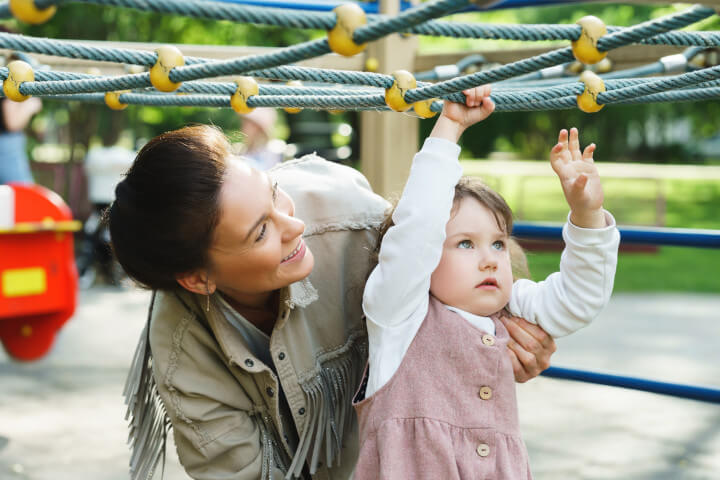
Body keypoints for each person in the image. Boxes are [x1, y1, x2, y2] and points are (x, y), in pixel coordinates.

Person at [108, 122, 558, 480]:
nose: (293, 224)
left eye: (272, 192)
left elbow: (462, 252)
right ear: (197, 279)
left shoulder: (352, 222)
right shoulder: (182, 349)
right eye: (261, 231)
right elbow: (238, 471)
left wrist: (507, 332)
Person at [352, 86, 620, 479]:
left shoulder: (509, 306)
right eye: (464, 243)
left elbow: (579, 300)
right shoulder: (398, 317)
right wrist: (449, 127)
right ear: (426, 258)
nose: (490, 259)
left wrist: (586, 213)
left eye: (497, 243)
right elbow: (416, 230)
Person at [0, 96, 42, 184]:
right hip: (6, 144)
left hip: (6, 143)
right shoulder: (12, 83)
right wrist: (30, 106)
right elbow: (12, 123)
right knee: (23, 191)